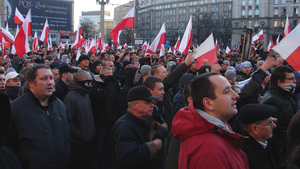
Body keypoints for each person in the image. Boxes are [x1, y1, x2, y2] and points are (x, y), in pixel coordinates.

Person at [172, 72, 249, 169]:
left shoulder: (217, 131)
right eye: (226, 91)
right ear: (208, 103)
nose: (236, 95)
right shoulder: (208, 149)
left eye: (232, 89)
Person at [5, 64, 71, 169]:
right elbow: (9, 147)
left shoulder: (60, 106)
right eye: (44, 79)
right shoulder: (16, 109)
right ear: (31, 83)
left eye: (51, 78)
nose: (50, 82)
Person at [111, 85, 168, 169]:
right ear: (134, 105)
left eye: (151, 102)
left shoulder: (144, 120)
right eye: (147, 102)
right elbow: (127, 157)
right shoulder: (125, 126)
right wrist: (153, 146)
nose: (152, 105)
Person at [260, 65, 297, 167]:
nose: (295, 82)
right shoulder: (273, 101)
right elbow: (271, 134)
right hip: (282, 153)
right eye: (291, 79)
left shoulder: (285, 97)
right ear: (280, 82)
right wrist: (280, 156)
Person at [64, 70, 95, 169]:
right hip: (78, 143)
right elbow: (68, 121)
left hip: (88, 140)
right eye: (88, 82)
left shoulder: (85, 94)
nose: (90, 85)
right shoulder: (71, 97)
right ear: (82, 81)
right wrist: (80, 136)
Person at [89, 66, 119, 169]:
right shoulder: (95, 86)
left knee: (106, 152)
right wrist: (111, 83)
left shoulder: (109, 85)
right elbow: (104, 97)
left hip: (109, 124)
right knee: (96, 153)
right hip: (99, 125)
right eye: (109, 76)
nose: (112, 78)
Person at [239, 104, 277, 169]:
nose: (274, 126)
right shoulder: (246, 154)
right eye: (269, 123)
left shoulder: (266, 145)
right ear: (255, 129)